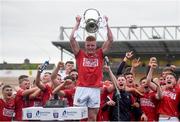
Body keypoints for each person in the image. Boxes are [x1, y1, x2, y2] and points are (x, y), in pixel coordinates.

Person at [69, 15, 113, 121]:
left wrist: (106, 24)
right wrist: (78, 23)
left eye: (92, 45)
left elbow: (110, 39)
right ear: (85, 46)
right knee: (77, 116)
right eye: (88, 45)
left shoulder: (100, 54)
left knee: (92, 117)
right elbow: (71, 39)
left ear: (96, 46)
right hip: (81, 88)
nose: (90, 47)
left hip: (95, 89)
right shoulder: (80, 54)